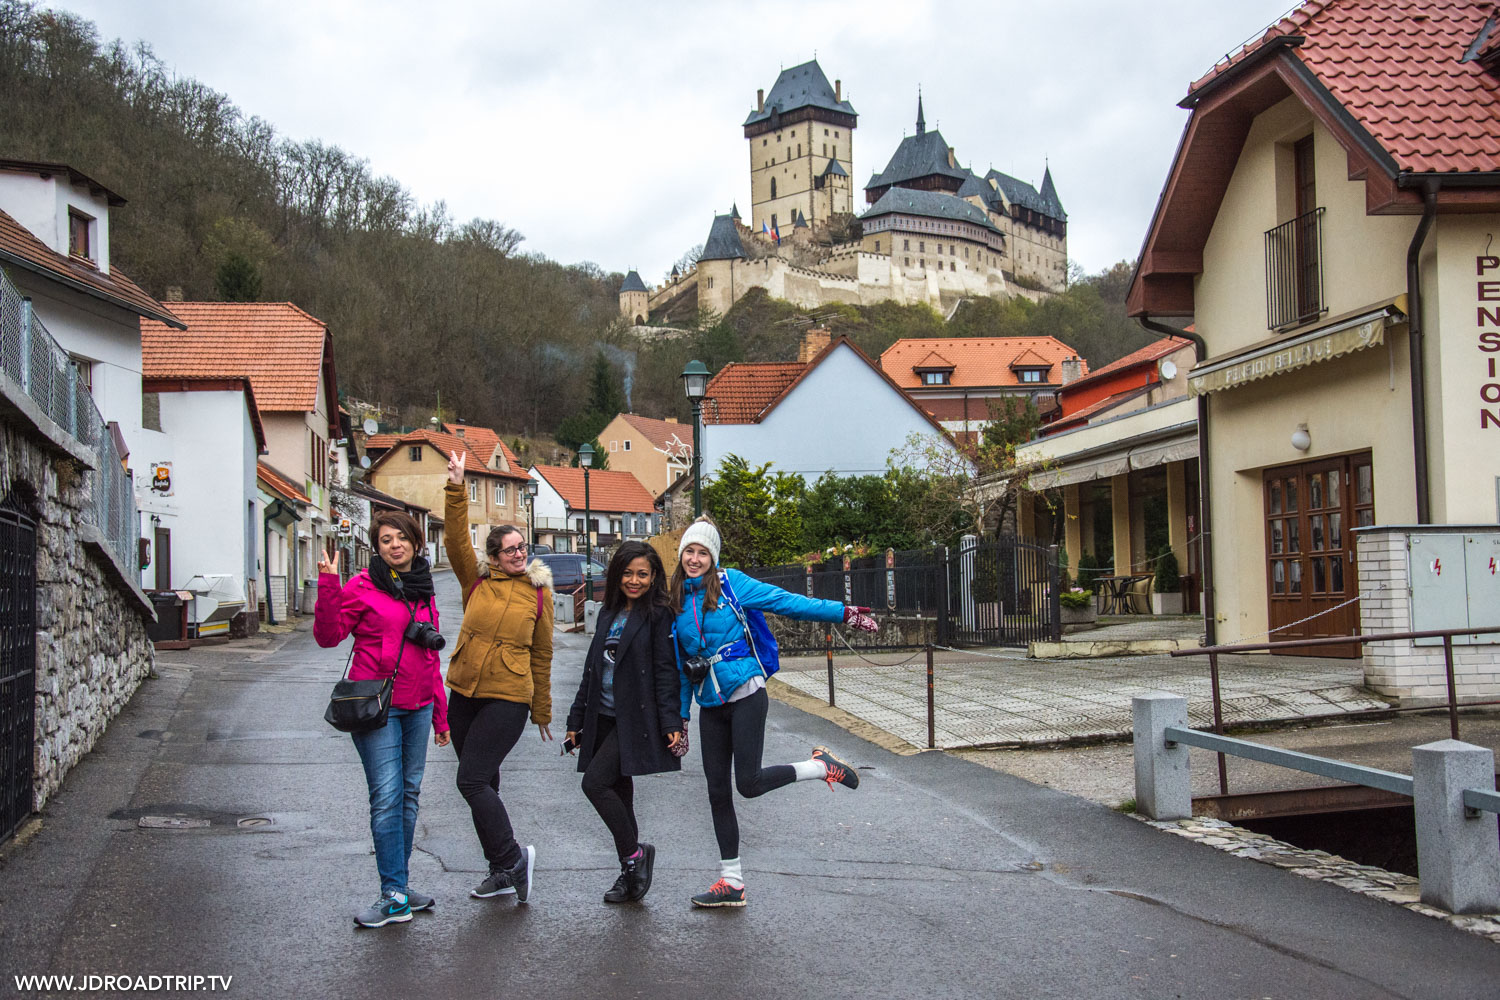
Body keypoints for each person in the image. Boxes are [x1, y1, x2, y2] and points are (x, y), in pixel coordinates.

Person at [671, 517, 879, 908]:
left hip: (746, 690)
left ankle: (820, 766)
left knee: (747, 783)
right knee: (717, 791)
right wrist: (682, 718)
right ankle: (731, 882)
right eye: (689, 551)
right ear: (681, 554)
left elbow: (789, 603)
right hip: (709, 703)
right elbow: (682, 665)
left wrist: (844, 613)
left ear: (713, 558)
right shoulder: (676, 599)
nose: (694, 559)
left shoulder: (732, 584)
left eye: (702, 553)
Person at [313, 513, 450, 929]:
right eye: (386, 540)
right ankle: (392, 894)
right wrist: (328, 585)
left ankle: (400, 886)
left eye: (402, 538)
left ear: (415, 543)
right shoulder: (363, 586)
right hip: (378, 707)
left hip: (419, 704)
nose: (395, 545)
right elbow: (328, 635)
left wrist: (440, 716)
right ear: (377, 547)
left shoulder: (422, 588)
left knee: (408, 795)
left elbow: (430, 657)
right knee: (388, 798)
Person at [443, 450, 554, 904]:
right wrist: (455, 487)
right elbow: (453, 540)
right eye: (511, 550)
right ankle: (501, 869)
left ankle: (511, 857)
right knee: (484, 782)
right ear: (493, 555)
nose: (519, 555)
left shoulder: (538, 594)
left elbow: (543, 654)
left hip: (508, 696)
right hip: (464, 690)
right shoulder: (477, 580)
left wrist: (542, 709)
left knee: (470, 781)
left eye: (523, 549)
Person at [565, 542, 684, 904]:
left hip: (636, 718)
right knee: (619, 793)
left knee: (595, 784)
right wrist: (576, 719)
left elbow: (666, 672)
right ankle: (630, 876)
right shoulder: (606, 612)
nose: (634, 580)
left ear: (653, 578)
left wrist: (671, 720)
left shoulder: (660, 614)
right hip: (601, 716)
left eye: (642, 574)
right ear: (617, 575)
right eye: (628, 573)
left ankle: (635, 857)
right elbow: (591, 669)